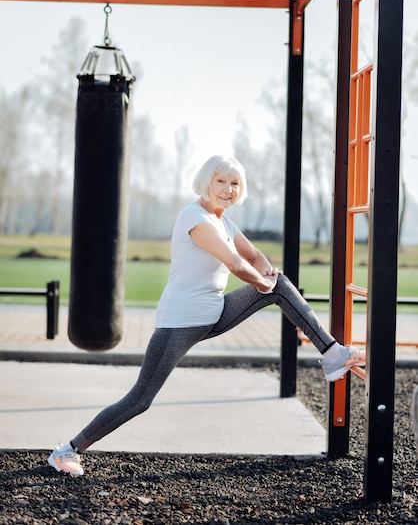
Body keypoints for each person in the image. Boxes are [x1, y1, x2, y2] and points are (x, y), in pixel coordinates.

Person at [48, 155, 365, 476]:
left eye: (235, 183)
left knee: (280, 284)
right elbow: (235, 263)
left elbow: (252, 256)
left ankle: (332, 354)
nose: (228, 189)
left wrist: (268, 272)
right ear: (207, 181)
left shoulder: (224, 221)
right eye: (221, 181)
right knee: (140, 399)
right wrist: (262, 281)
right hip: (179, 324)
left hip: (215, 314)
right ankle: (68, 450)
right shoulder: (194, 217)